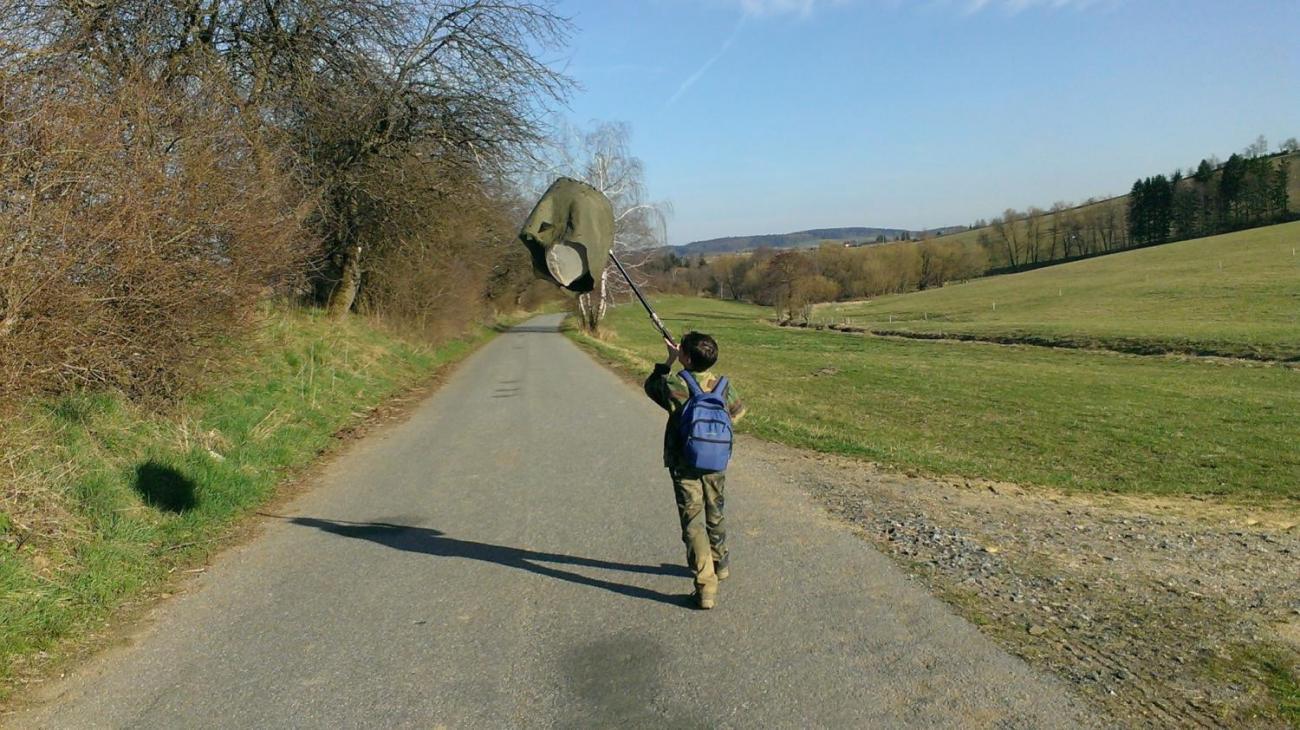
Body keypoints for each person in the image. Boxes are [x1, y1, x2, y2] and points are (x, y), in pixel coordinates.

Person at [644, 331, 746, 610]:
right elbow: (738, 412)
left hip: (683, 462)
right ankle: (720, 563)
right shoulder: (723, 385)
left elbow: (651, 387)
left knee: (693, 521)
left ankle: (705, 586)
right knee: (716, 511)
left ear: (686, 357)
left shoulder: (676, 383)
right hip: (716, 461)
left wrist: (669, 360)